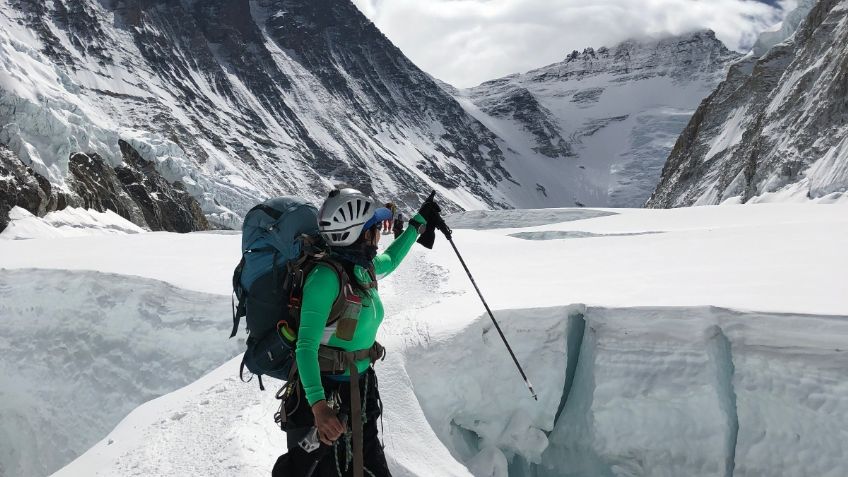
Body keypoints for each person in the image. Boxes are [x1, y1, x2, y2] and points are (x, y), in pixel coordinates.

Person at [273, 187, 442, 477]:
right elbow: (305, 347)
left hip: (358, 392)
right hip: (327, 398)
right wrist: (319, 407)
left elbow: (391, 258)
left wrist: (417, 225)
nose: (378, 232)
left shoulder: (359, 270)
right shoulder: (326, 278)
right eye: (374, 227)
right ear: (358, 234)